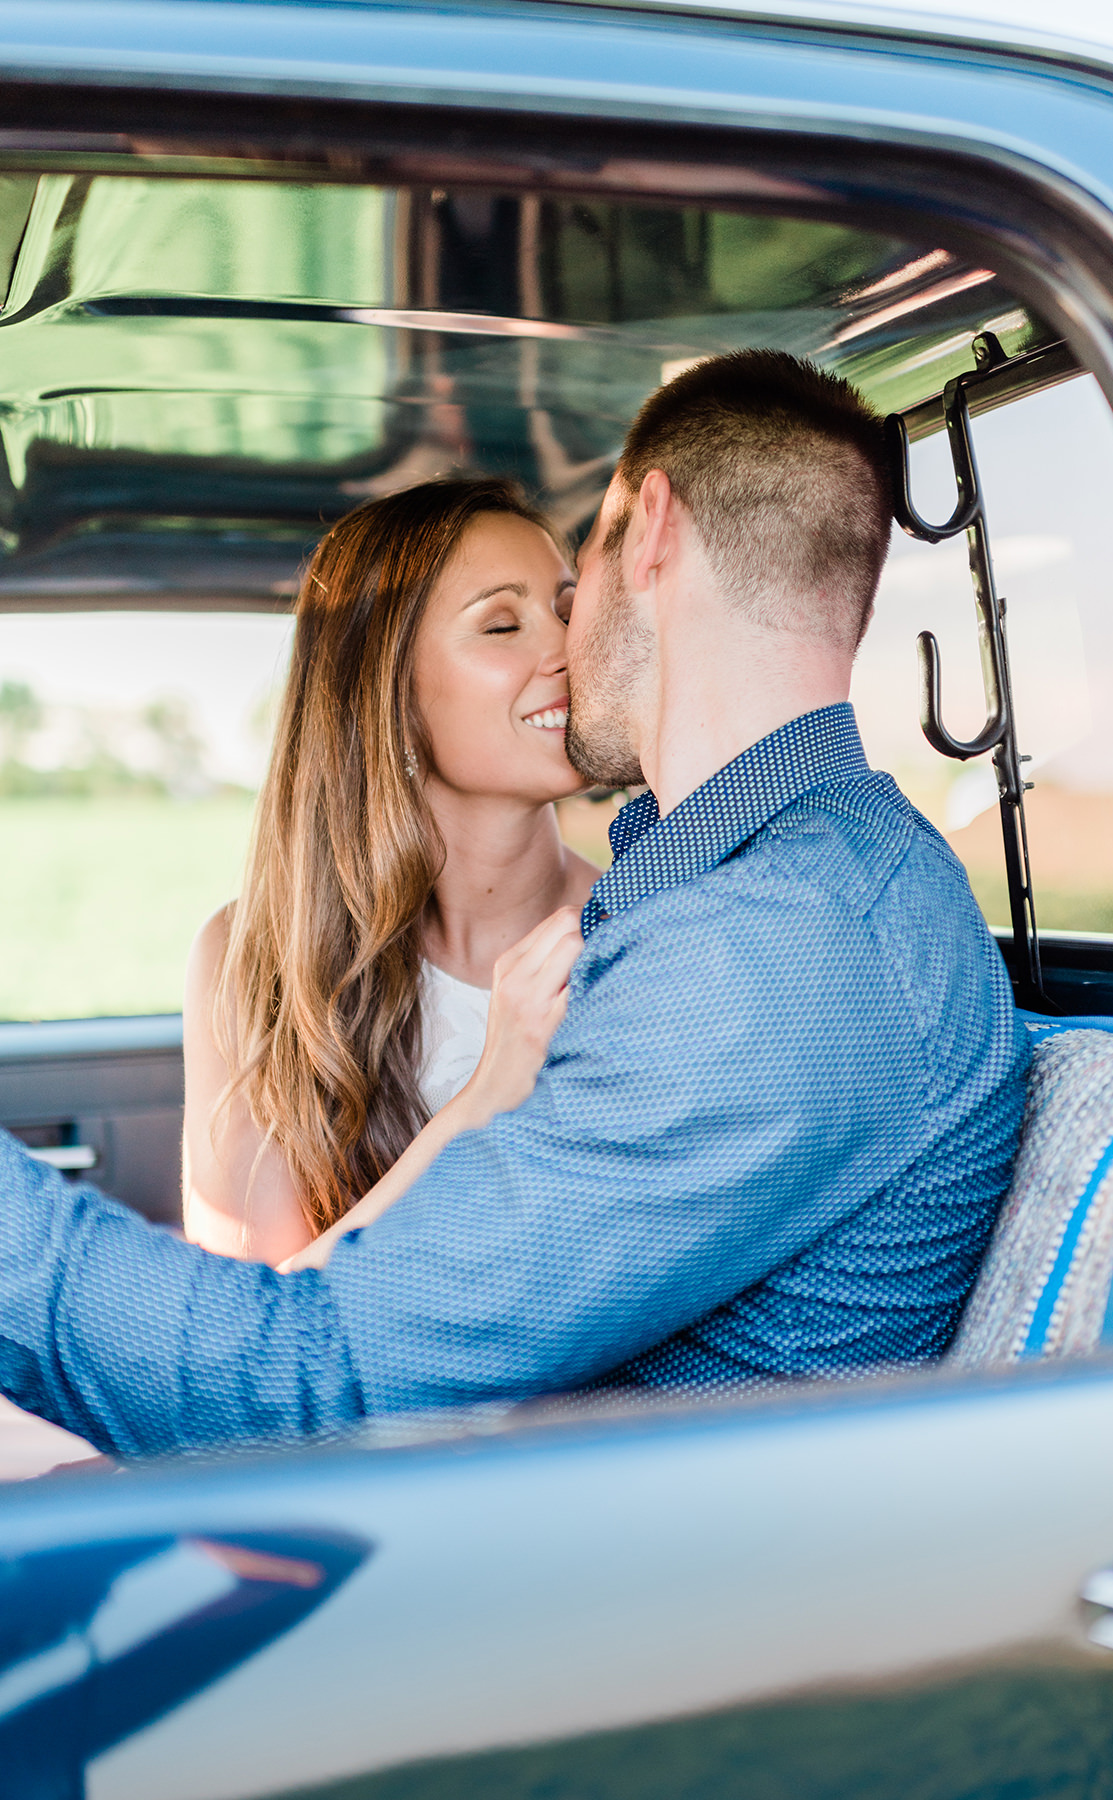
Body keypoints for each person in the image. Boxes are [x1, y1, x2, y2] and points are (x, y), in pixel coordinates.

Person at [0, 349, 1031, 1457]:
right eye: (504, 623)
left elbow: (294, 1387)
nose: (562, 643)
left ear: (651, 532)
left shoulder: (767, 953)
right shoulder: (775, 891)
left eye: (575, 578)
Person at [181, 478, 594, 1266]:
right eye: (502, 624)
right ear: (390, 696)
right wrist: (487, 1096)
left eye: (571, 610)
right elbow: (251, 1328)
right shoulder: (248, 958)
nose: (568, 649)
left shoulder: (648, 922)